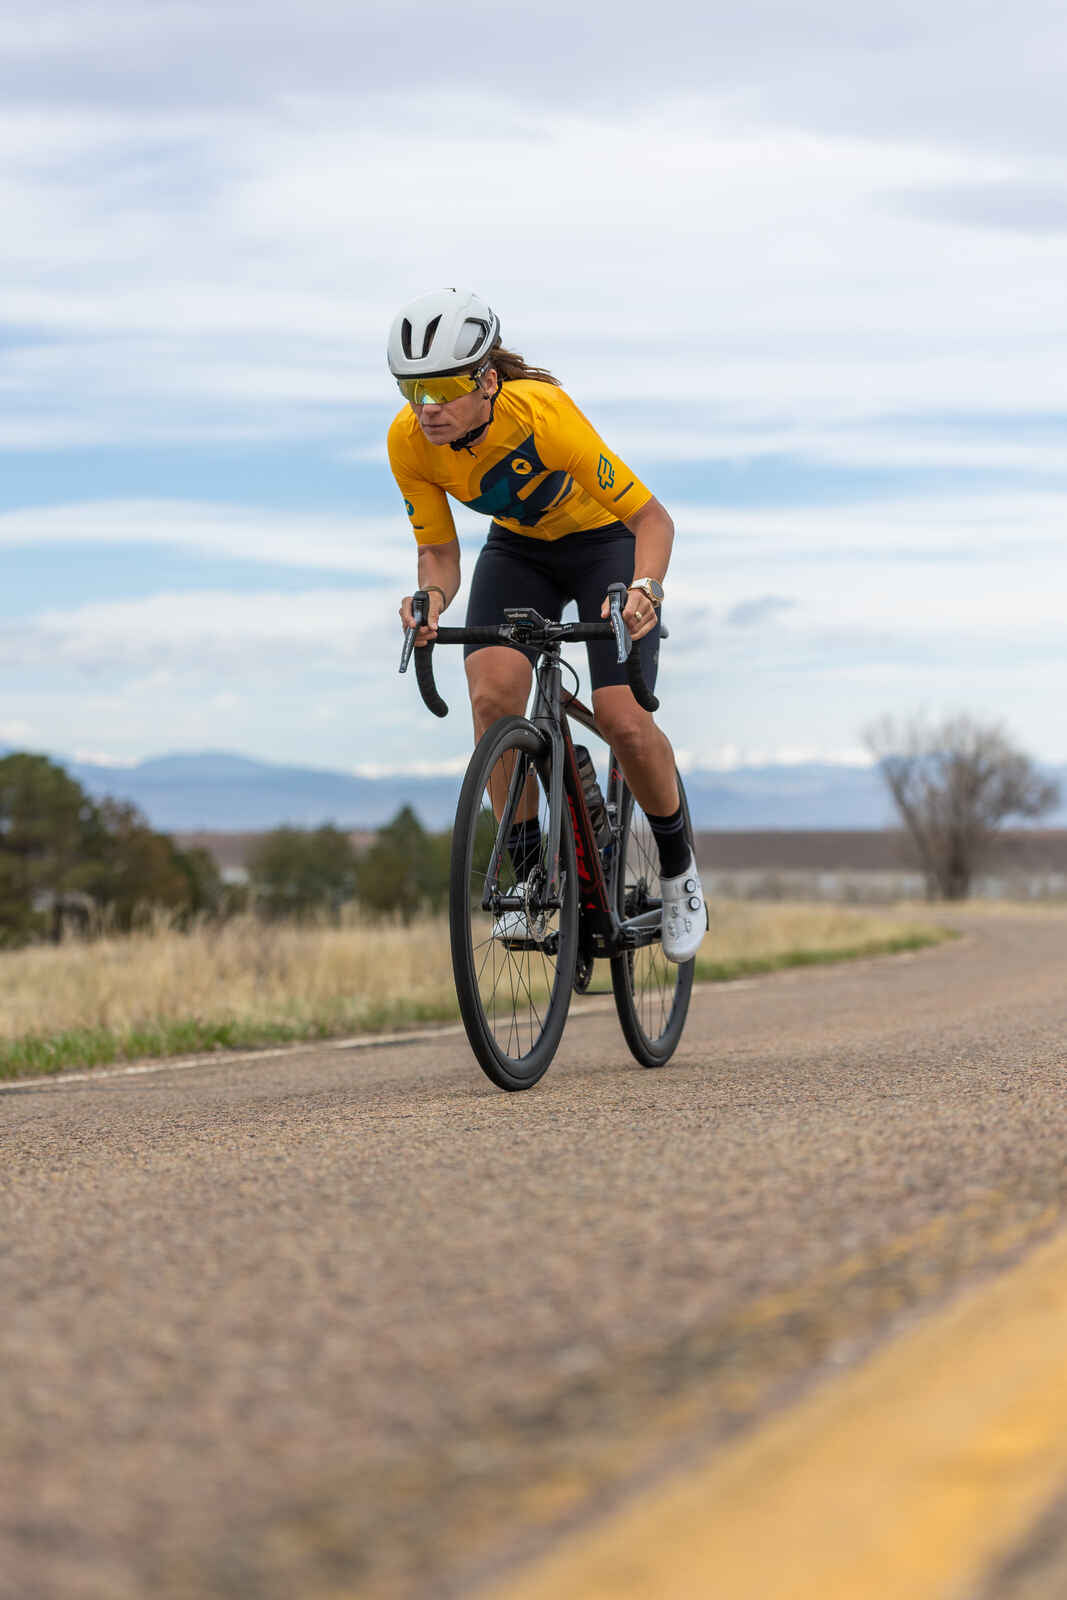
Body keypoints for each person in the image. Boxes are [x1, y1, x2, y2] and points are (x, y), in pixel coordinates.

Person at [389, 287, 706, 962]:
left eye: (443, 387)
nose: (428, 408)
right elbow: (440, 554)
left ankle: (679, 873)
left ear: (487, 381)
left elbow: (652, 519)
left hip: (605, 545)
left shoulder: (544, 418)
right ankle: (531, 876)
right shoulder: (408, 441)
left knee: (622, 719)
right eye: (411, 390)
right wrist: (430, 599)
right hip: (519, 551)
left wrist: (645, 590)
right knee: (491, 697)